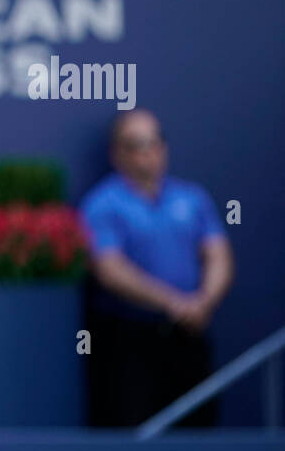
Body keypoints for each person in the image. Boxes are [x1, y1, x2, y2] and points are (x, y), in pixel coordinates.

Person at [79, 110, 234, 428]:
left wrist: (203, 300)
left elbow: (218, 255)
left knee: (199, 430)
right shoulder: (102, 204)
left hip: (190, 334)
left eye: (153, 142)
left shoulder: (192, 198)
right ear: (117, 153)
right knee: (135, 432)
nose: (146, 153)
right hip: (130, 340)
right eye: (135, 144)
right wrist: (172, 302)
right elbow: (109, 269)